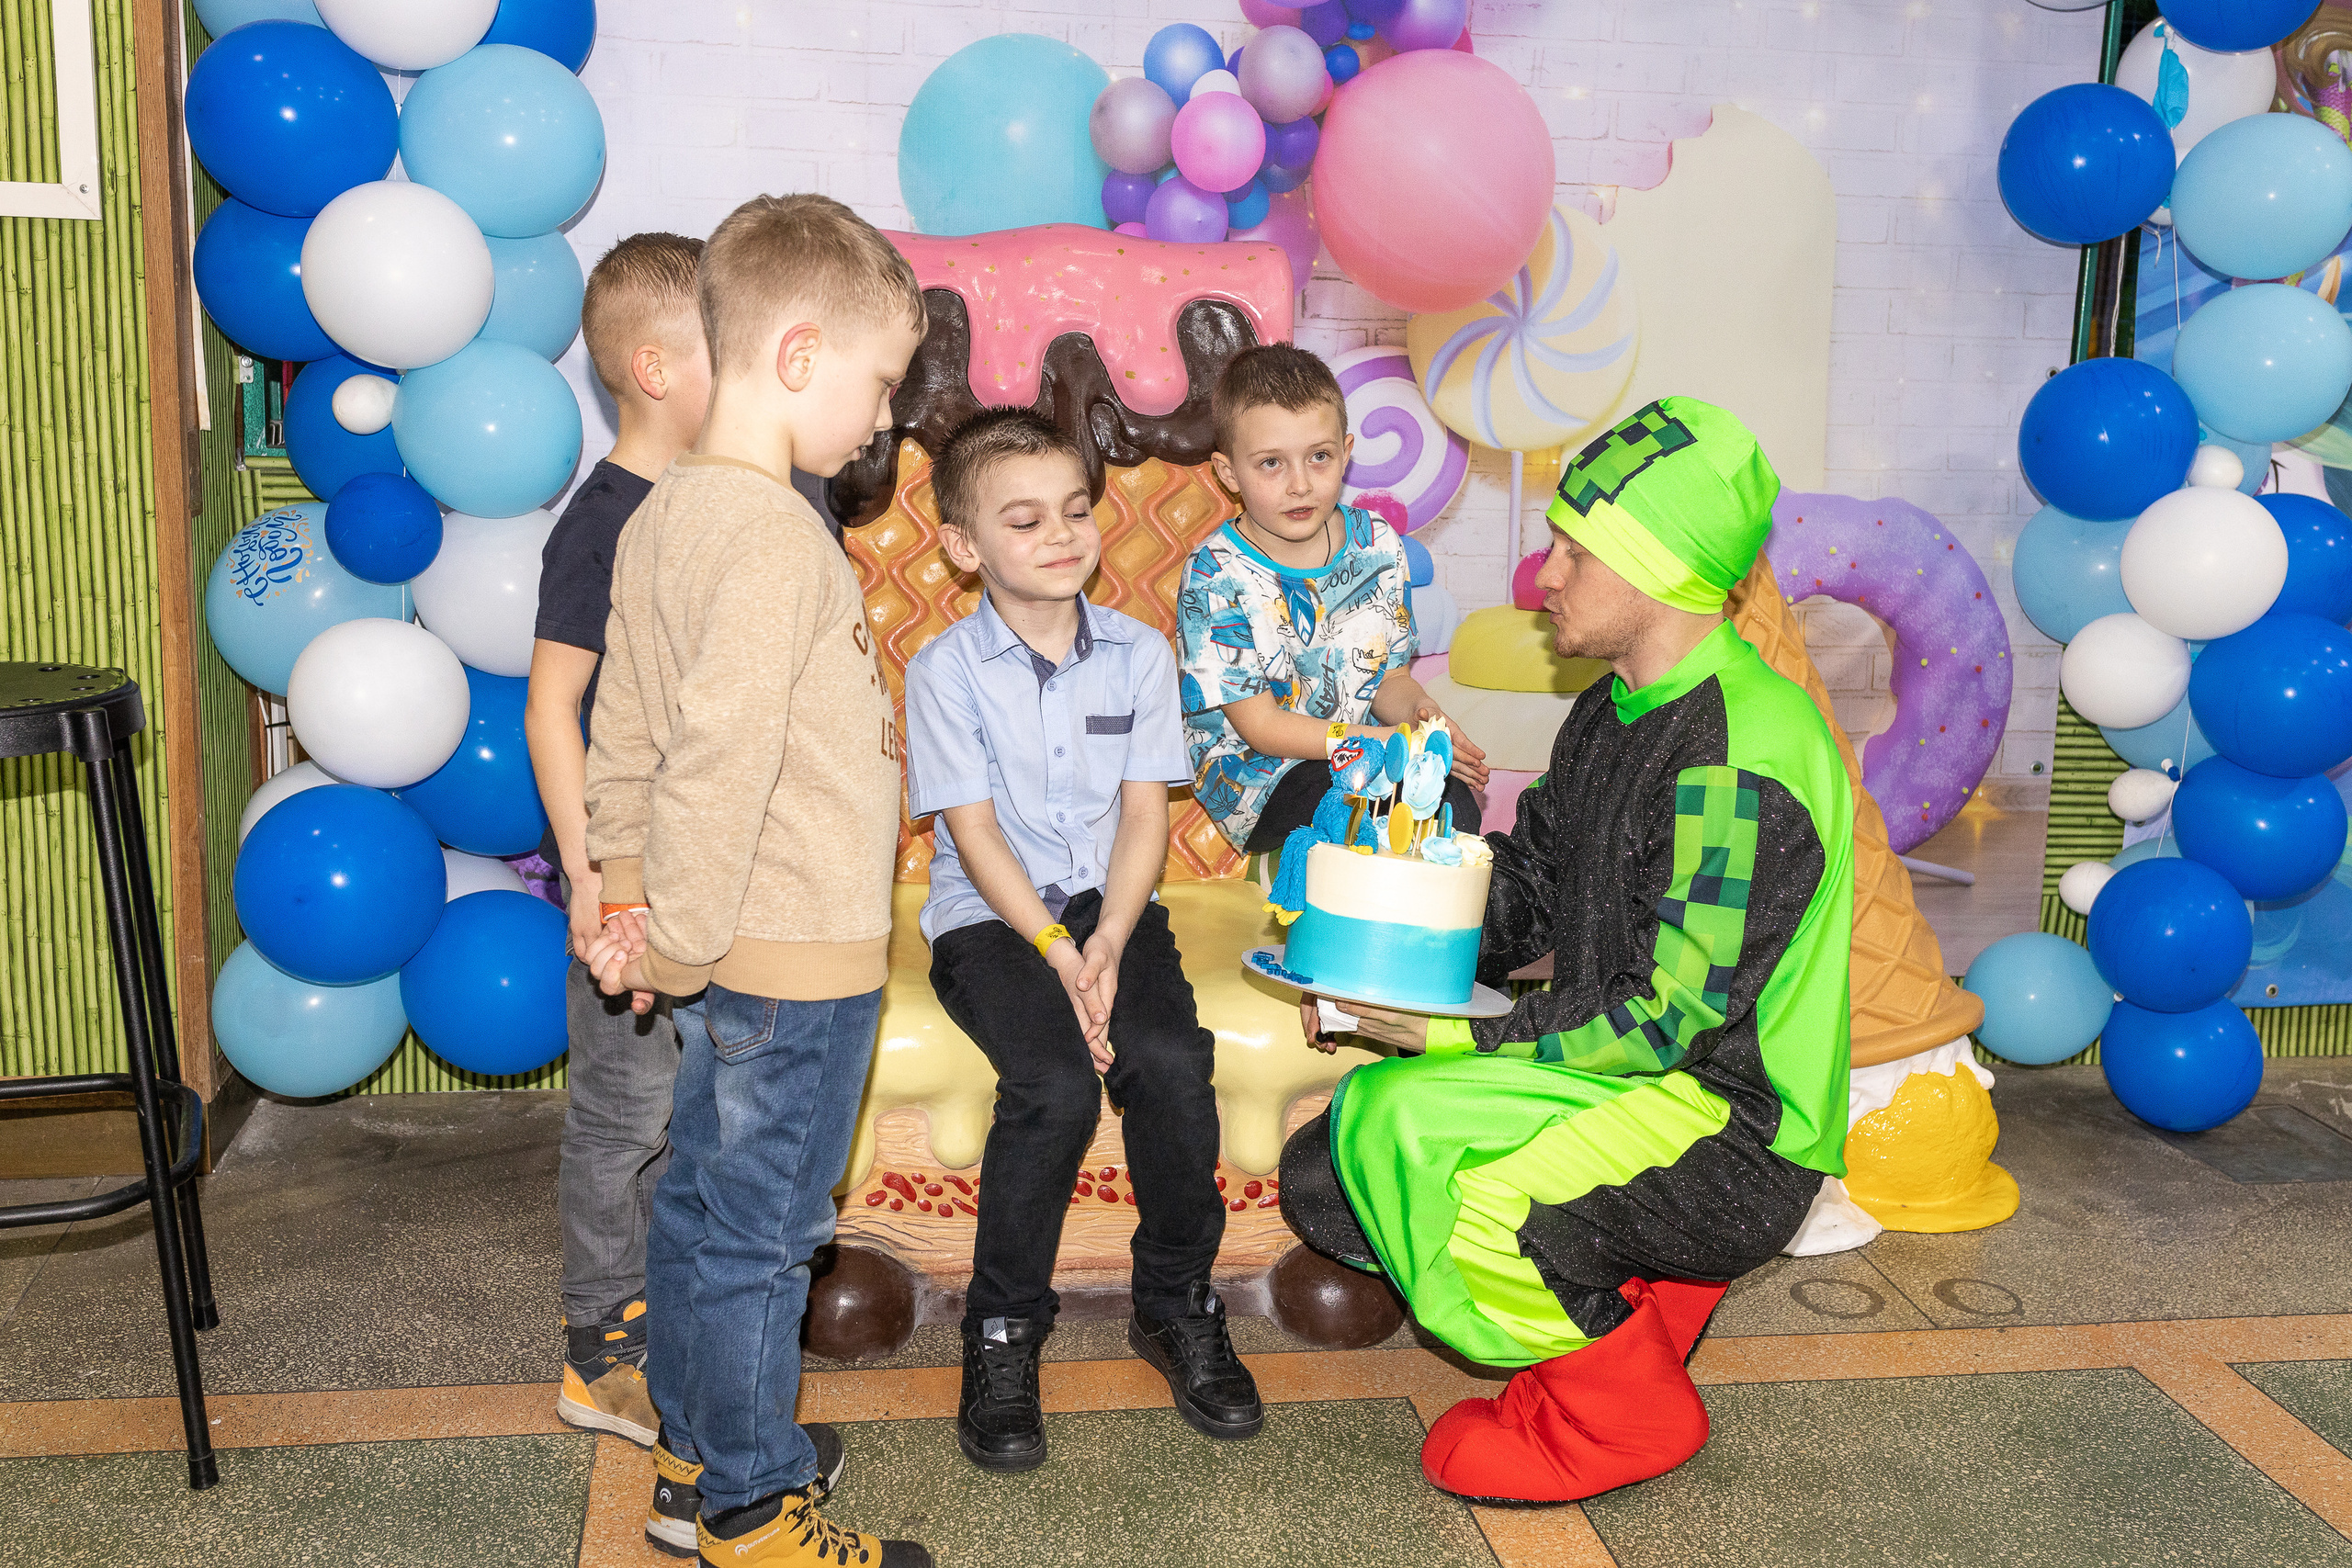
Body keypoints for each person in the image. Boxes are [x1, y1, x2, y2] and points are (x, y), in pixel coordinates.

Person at [1279, 398, 1855, 1505]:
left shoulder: (1740, 759)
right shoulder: (1613, 711)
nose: (1542, 575)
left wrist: (1452, 1039)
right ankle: (1618, 1313)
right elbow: (1528, 889)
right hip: (1626, 1085)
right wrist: (1367, 956)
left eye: (1571, 551)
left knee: (1465, 1186)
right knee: (1339, 1164)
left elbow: (1668, 1018)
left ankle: (1622, 1414)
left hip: (1728, 1129)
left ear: (1656, 567)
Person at [582, 193, 933, 1568]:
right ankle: (750, 1505)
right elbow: (718, 763)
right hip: (787, 957)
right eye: (879, 383)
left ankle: (699, 1439)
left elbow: (631, 728)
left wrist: (627, 892)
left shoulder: (666, 513)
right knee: (766, 1237)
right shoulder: (777, 535)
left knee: (701, 1208)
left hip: (726, 945)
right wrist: (669, 936)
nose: (883, 418)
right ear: (797, 358)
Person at [904, 407, 1262, 1473]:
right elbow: (970, 832)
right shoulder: (944, 669)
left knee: (1168, 1059)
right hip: (993, 917)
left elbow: (1145, 813)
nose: (1061, 535)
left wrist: (1106, 935)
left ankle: (1176, 1300)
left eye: (1074, 510)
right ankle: (1003, 1329)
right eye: (1024, 520)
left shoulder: (1140, 656)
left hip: (1112, 907)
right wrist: (1059, 955)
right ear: (967, 546)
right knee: (1055, 1087)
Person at [524, 231, 707, 1456]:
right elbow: (551, 703)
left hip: (721, 881)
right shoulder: (603, 518)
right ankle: (603, 1350)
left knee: (698, 1112)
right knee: (620, 1117)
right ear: (652, 366)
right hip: (627, 882)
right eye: (724, 348)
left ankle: (679, 1315)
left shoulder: (732, 503)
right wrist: (593, 880)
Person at [1175, 344, 1487, 861]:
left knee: (1453, 805)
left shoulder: (1377, 543)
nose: (1300, 484)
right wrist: (1382, 743)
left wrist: (1424, 717)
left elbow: (1388, 680)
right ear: (1229, 474)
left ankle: (1412, 938)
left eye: (1319, 457)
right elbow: (1263, 728)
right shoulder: (1214, 573)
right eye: (1271, 464)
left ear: (1345, 452)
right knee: (1358, 809)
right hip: (1260, 778)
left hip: (1365, 753)